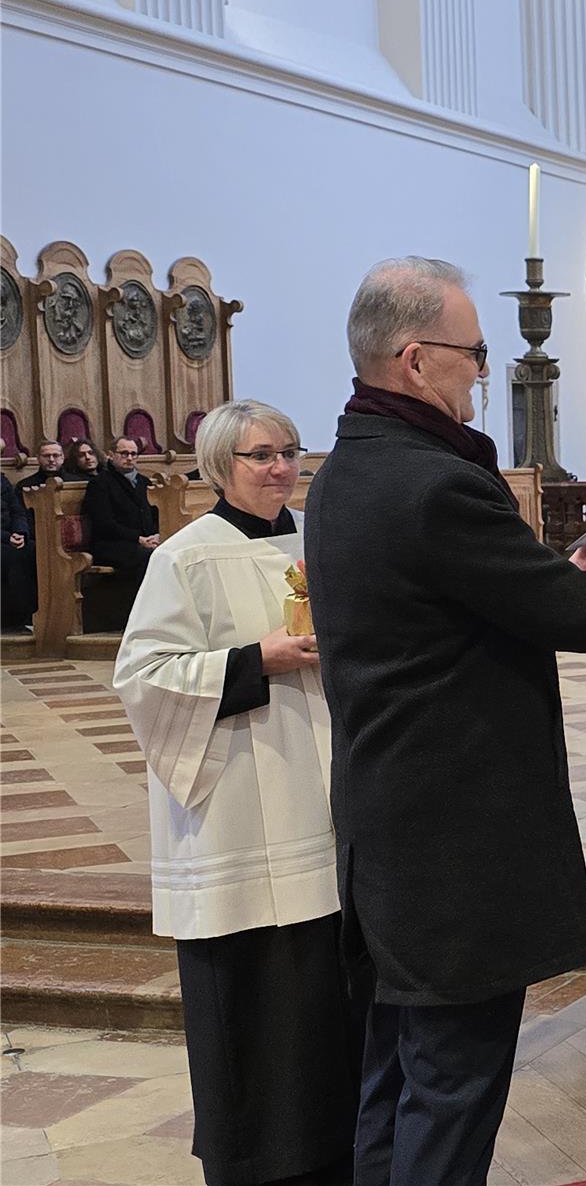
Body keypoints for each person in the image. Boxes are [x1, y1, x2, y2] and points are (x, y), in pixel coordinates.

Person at [306, 256, 586, 1186]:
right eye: (473, 352)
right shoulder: (432, 484)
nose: (482, 370)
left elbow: (470, 601)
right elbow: (574, 618)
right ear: (416, 360)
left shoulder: (348, 472)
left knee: (394, 1076)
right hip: (453, 843)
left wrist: (539, 583)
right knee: (451, 1086)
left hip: (387, 825)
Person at [113, 399, 355, 1185]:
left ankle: (333, 1149)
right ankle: (254, 1158)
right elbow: (143, 677)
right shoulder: (187, 556)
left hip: (318, 788)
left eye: (289, 450)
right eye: (260, 455)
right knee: (252, 991)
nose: (281, 467)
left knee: (325, 984)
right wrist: (258, 660)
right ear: (220, 466)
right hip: (239, 801)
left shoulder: (320, 541)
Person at [84, 435, 160, 580]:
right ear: (111, 455)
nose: (129, 458)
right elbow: (104, 523)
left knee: (168, 552)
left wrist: (156, 535)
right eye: (124, 453)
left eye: (133, 454)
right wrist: (139, 539)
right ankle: (140, 601)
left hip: (144, 542)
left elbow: (155, 514)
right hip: (111, 545)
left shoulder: (144, 482)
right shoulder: (100, 484)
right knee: (148, 556)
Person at [1, 475, 36, 632]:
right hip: (4, 539)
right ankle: (15, 619)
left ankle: (42, 615)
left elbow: (18, 511)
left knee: (38, 552)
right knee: (13, 558)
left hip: (11, 536)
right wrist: (7, 538)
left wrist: (20, 532)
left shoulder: (2, 480)